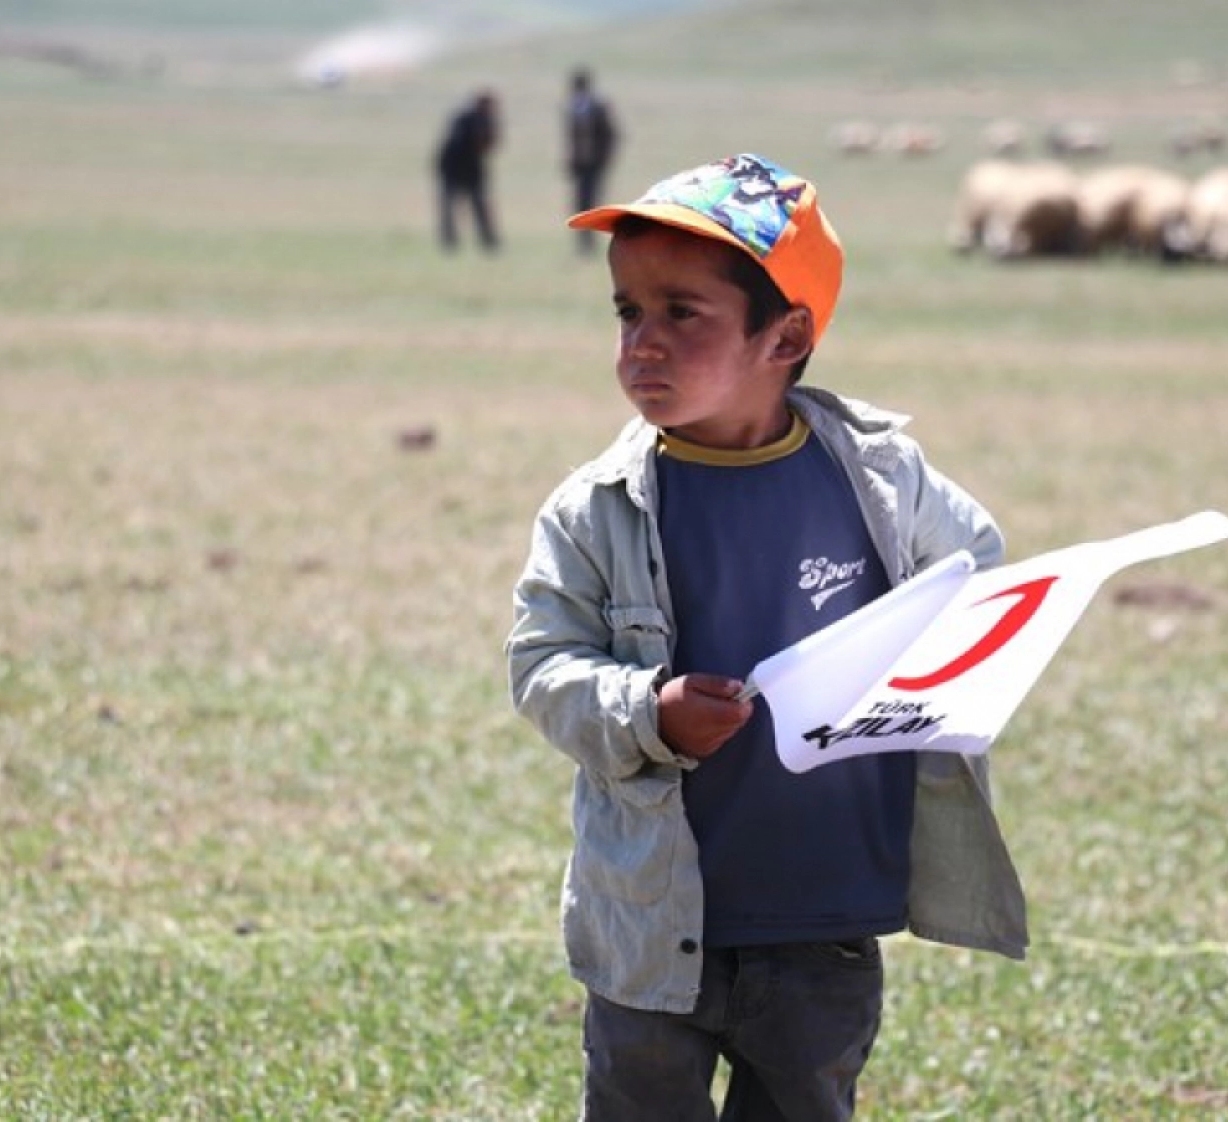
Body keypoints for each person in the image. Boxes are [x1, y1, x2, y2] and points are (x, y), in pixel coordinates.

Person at [505, 153, 1028, 1121]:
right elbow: (540, 666)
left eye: (680, 313)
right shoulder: (595, 509)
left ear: (784, 334)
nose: (641, 345)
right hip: (651, 925)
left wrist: (925, 679)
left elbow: (979, 581)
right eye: (626, 313)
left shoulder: (879, 481)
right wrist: (646, 712)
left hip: (822, 919)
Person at [433, 89, 500, 252]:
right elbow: (461, 146)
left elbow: (489, 146)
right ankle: (450, 243)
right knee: (449, 207)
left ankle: (488, 242)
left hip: (472, 170)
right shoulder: (465, 120)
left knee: (480, 206)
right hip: (454, 168)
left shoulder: (487, 121)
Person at [564, 68, 620, 255]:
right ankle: (583, 242)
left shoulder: (597, 106)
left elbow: (611, 134)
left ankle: (590, 242)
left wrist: (604, 158)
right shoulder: (573, 107)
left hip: (595, 162)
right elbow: (571, 137)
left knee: (591, 202)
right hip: (580, 164)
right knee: (579, 202)